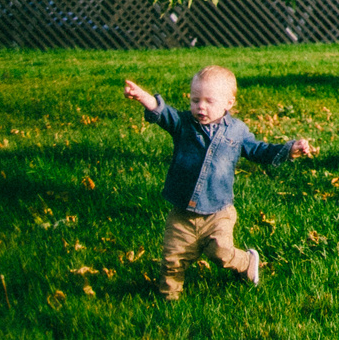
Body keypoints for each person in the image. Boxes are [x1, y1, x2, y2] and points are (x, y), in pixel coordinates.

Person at [120, 65, 314, 300]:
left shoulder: (236, 131)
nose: (200, 106)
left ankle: (246, 262)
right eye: (195, 100)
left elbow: (259, 150)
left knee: (221, 253)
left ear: (228, 103)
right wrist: (143, 97)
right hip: (183, 210)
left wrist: (289, 149)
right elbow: (163, 113)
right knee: (172, 258)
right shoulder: (183, 125)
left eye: (209, 101)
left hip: (218, 210)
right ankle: (168, 299)